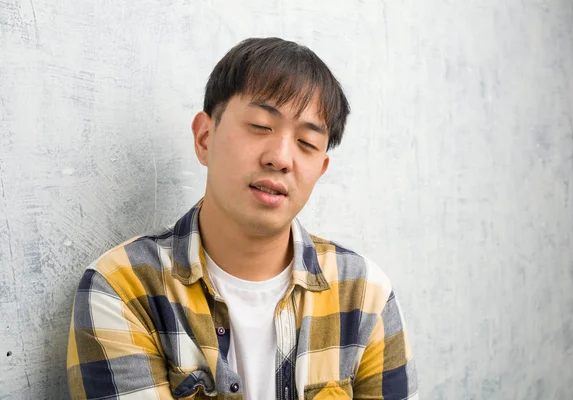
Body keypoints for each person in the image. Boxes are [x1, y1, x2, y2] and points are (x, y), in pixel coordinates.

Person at [67, 37, 418, 400]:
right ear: (205, 138)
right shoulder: (123, 289)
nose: (281, 158)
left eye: (307, 144)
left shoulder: (364, 295)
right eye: (261, 126)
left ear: (321, 169)